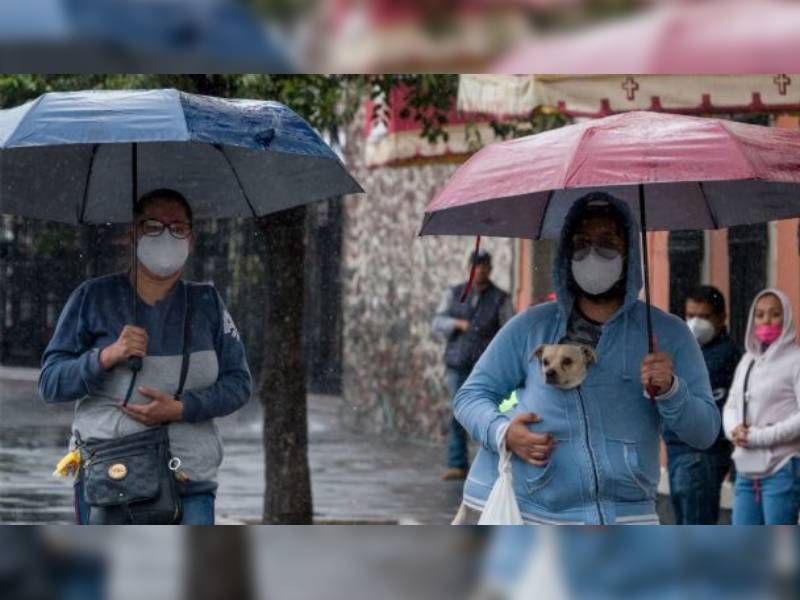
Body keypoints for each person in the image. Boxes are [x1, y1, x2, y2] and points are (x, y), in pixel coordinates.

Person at [453, 192, 719, 524]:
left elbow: (705, 432)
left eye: (607, 241)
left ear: (630, 252)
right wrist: (503, 432)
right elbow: (469, 397)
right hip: (535, 513)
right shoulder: (530, 327)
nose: (593, 253)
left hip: (630, 517)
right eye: (581, 243)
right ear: (566, 253)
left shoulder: (669, 334)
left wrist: (672, 391)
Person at [38, 188, 252, 525]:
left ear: (191, 239)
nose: (166, 236)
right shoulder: (92, 298)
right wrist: (107, 356)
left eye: (178, 228)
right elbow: (51, 383)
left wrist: (181, 408)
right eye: (153, 226)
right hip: (110, 476)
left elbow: (239, 384)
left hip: (189, 479)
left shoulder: (207, 303)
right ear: (132, 234)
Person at [432, 249, 514, 481]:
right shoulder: (455, 293)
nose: (480, 271)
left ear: (490, 269)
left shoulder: (500, 298)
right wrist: (457, 323)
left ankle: (487, 465)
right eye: (476, 266)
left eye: (484, 267)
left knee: (490, 412)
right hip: (458, 360)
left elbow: (508, 330)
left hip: (486, 365)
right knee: (458, 412)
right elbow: (437, 321)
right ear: (469, 268)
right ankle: (457, 463)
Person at [663, 286, 740, 524]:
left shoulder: (725, 356)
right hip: (678, 450)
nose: (696, 323)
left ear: (721, 318)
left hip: (701, 454)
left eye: (704, 317)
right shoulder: (685, 350)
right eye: (690, 315)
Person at [723, 289, 800, 525]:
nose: (766, 321)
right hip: (746, 470)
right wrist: (734, 430)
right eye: (760, 315)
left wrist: (760, 436)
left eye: (774, 314)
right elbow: (731, 405)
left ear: (786, 318)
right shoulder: (748, 361)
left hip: (781, 468)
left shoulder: (796, 360)